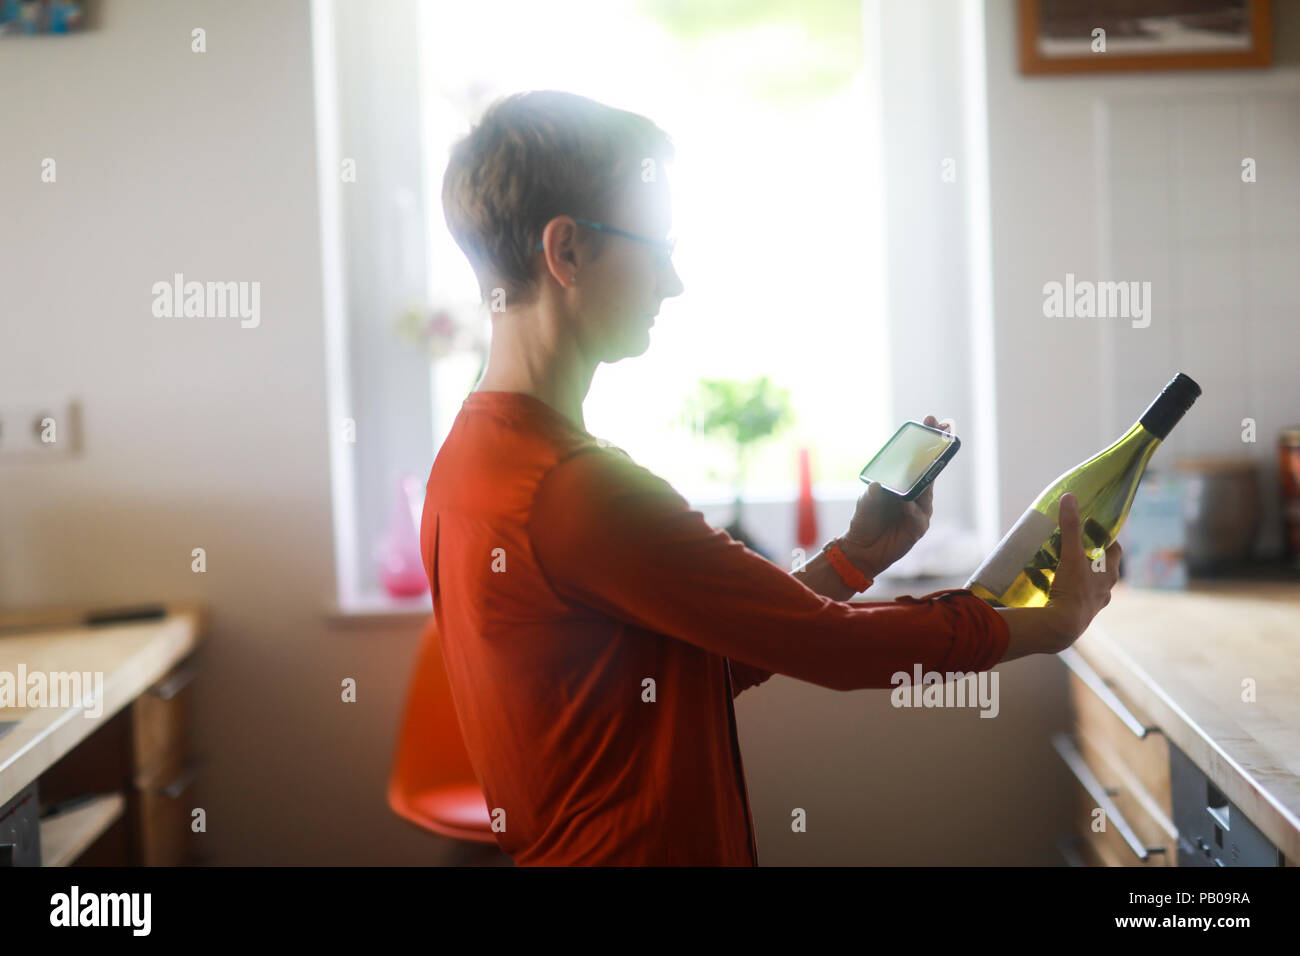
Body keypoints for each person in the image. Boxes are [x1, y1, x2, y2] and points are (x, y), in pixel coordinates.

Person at [415, 90, 1119, 865]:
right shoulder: (575, 492)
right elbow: (833, 651)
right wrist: (1041, 629)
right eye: (656, 245)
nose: (673, 282)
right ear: (568, 251)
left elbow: (685, 669)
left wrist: (853, 559)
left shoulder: (470, 461)